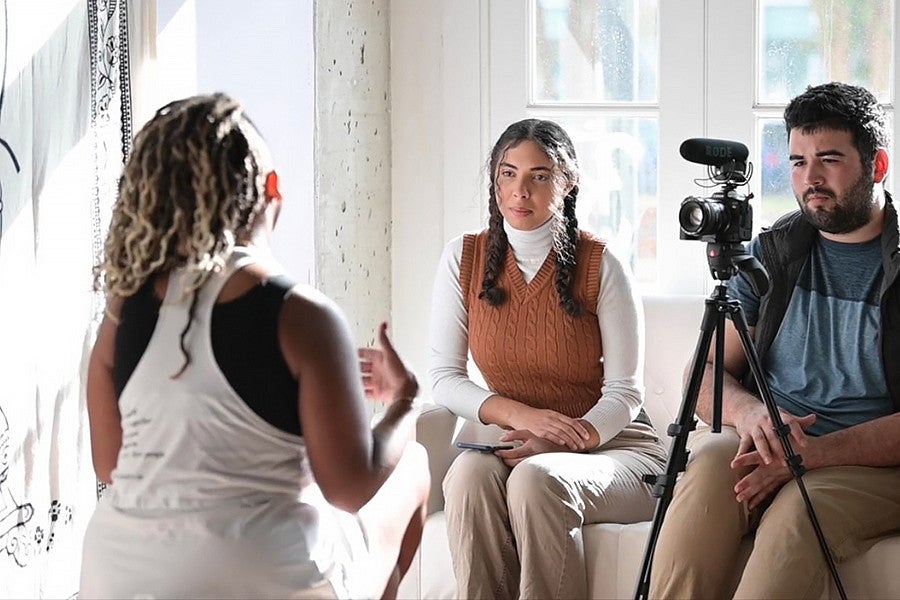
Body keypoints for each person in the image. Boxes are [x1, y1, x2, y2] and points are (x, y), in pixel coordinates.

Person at [79, 93, 429, 600]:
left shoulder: (119, 311)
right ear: (271, 193)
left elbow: (109, 463)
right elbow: (350, 487)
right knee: (412, 465)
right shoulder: (302, 314)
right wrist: (406, 401)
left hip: (119, 574)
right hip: (262, 574)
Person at [649, 81, 900, 598]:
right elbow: (705, 377)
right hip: (768, 442)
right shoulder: (773, 252)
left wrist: (808, 456)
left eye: (829, 159)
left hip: (871, 464)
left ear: (877, 166)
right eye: (798, 161)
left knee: (796, 516)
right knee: (705, 479)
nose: (811, 179)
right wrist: (752, 415)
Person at [428, 118, 668, 599]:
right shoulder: (464, 258)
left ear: (567, 183)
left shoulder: (603, 264)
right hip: (520, 441)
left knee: (537, 480)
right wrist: (523, 418)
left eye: (539, 176)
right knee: (468, 476)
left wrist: (565, 443)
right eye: (507, 174)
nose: (520, 191)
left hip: (616, 449)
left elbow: (625, 393)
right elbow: (443, 378)